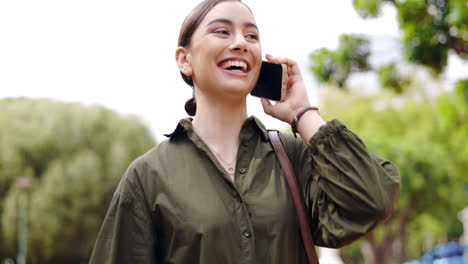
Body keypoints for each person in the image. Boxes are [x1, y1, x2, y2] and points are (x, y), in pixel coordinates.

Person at [89, 0, 400, 263]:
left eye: (251, 36)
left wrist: (302, 113)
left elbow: (372, 201)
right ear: (184, 60)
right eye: (222, 31)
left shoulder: (293, 158)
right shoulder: (147, 177)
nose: (240, 42)